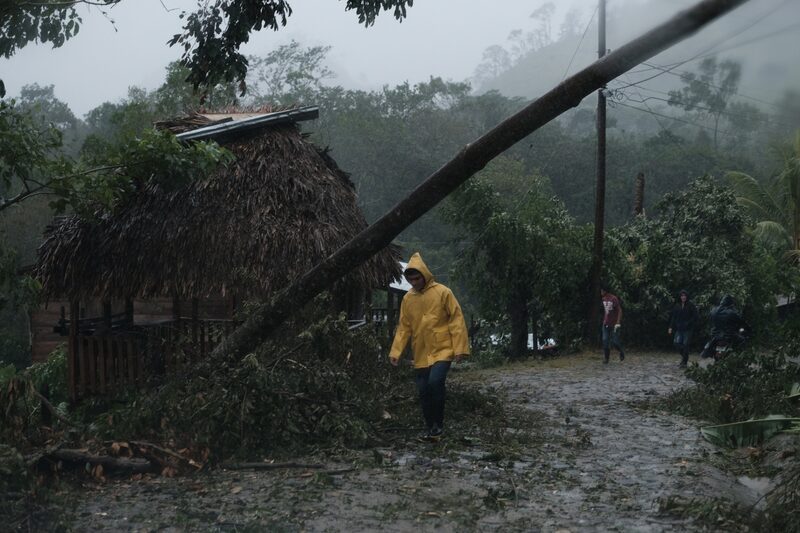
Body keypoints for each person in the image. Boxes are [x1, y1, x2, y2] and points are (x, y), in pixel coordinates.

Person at [389, 252, 470, 441]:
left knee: (435, 382)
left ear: (424, 275)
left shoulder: (443, 292)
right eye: (411, 280)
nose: (414, 282)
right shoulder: (408, 299)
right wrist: (396, 352)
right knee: (423, 390)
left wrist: (459, 349)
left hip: (443, 349)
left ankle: (438, 426)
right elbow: (404, 327)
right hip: (421, 352)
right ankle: (430, 428)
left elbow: (456, 320)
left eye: (417, 278)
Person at [668, 289, 698, 368]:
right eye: (682, 296)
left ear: (687, 297)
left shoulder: (691, 305)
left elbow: (695, 316)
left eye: (684, 296)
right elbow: (674, 317)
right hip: (679, 328)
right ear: (680, 297)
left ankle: (684, 362)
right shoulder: (677, 305)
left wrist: (688, 323)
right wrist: (670, 327)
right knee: (676, 343)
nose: (683, 297)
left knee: (685, 345)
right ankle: (685, 357)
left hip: (688, 329)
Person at [600, 287, 625, 364]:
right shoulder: (603, 299)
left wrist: (618, 322)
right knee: (605, 340)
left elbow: (619, 310)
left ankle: (621, 351)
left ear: (605, 291)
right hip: (606, 324)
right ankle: (606, 358)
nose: (601, 292)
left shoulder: (613, 298)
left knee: (615, 342)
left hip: (614, 324)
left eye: (602, 290)